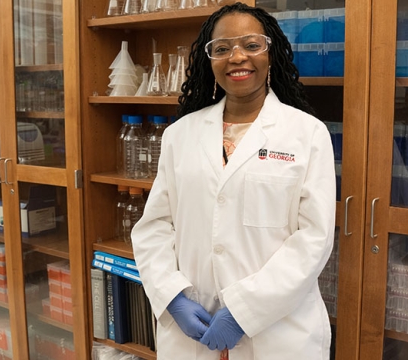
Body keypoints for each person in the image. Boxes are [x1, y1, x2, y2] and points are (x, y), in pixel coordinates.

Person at [131, 2, 336, 359]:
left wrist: (245, 310)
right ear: (209, 61)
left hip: (278, 331)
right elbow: (155, 227)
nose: (237, 57)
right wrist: (172, 296)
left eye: (252, 45)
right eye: (222, 48)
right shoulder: (180, 135)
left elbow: (314, 240)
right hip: (192, 329)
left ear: (270, 53)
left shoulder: (306, 134)